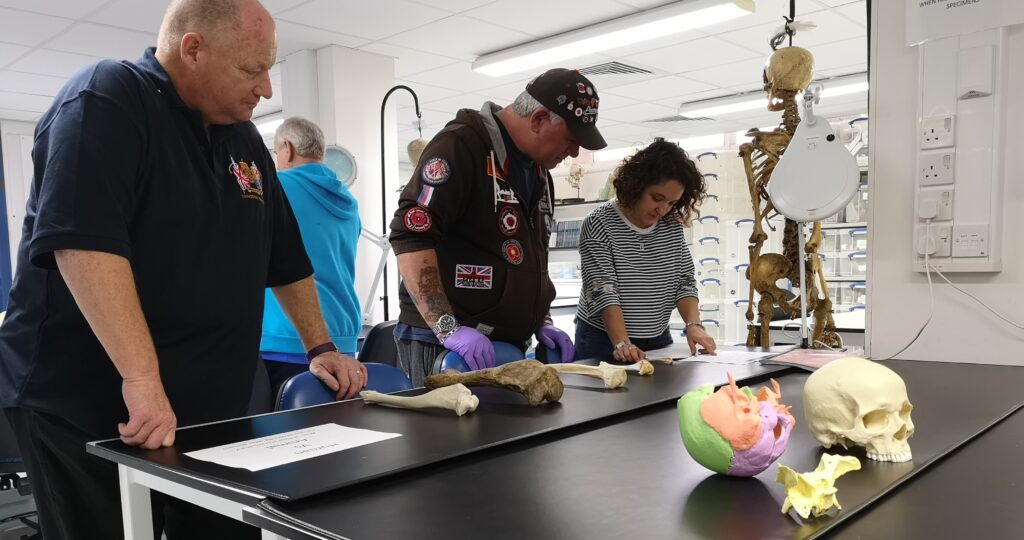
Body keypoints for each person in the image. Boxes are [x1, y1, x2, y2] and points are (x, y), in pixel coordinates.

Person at [0, 1, 365, 539]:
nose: (266, 87)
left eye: (270, 68)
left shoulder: (244, 142)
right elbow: (82, 246)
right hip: (89, 404)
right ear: (191, 49)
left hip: (207, 410)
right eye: (251, 68)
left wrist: (320, 347)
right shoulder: (106, 98)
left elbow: (284, 258)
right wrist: (142, 378)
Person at [389, 68, 607, 385]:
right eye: (571, 140)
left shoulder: (539, 172)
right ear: (538, 120)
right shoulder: (461, 147)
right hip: (445, 343)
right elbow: (410, 236)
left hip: (509, 344)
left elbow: (531, 258)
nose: (574, 152)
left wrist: (541, 319)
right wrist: (447, 327)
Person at [574, 138, 718, 363]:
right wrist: (622, 343)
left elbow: (683, 280)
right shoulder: (599, 223)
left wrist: (694, 325)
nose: (662, 210)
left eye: (671, 203)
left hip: (658, 337)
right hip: (603, 339)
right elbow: (603, 290)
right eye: (657, 198)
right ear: (636, 185)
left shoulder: (671, 225)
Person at [261, 117, 363, 396]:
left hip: (287, 338)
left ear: (287, 148)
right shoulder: (348, 201)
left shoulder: (275, 186)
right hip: (343, 339)